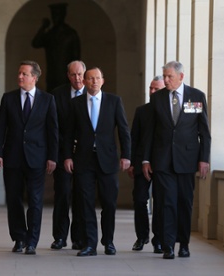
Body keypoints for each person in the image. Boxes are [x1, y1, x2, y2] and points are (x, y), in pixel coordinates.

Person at [142, 61, 211, 259]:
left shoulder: (196, 97)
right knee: (167, 203)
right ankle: (169, 245)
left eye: (169, 76)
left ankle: (184, 244)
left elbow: (204, 131)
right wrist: (146, 160)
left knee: (184, 203)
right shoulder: (158, 99)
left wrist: (204, 159)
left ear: (181, 77)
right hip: (162, 160)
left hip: (187, 160)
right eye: (164, 76)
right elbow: (150, 133)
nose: (165, 80)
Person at [0, 60, 59, 255]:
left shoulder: (47, 100)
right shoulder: (8, 98)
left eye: (24, 74)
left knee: (35, 200)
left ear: (34, 78)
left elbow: (53, 131)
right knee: (13, 200)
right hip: (12, 157)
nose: (20, 76)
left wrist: (52, 157)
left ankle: (32, 241)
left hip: (37, 158)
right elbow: (0, 129)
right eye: (19, 73)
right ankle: (19, 238)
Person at [64, 67, 131, 256]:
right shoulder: (76, 103)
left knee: (109, 202)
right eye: (90, 78)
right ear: (84, 82)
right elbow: (68, 133)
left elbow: (124, 130)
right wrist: (68, 156)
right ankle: (90, 244)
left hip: (108, 160)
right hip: (83, 160)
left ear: (103, 80)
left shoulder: (114, 101)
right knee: (85, 203)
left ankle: (108, 241)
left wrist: (126, 155)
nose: (94, 81)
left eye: (97, 78)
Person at [49, 60, 87, 250]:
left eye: (80, 74)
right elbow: (54, 128)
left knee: (81, 197)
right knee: (62, 195)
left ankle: (78, 238)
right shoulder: (57, 95)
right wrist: (61, 155)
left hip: (85, 156)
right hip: (62, 154)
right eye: (73, 75)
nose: (77, 78)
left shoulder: (93, 94)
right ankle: (60, 237)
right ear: (68, 76)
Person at [127, 75, 164, 254]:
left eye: (156, 89)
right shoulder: (142, 111)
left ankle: (158, 239)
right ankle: (142, 237)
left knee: (160, 202)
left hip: (163, 164)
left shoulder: (169, 110)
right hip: (142, 163)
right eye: (151, 88)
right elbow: (133, 139)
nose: (152, 92)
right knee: (140, 199)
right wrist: (133, 163)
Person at [32, 3, 80, 91]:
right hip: (51, 75)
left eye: (57, 15)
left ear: (63, 15)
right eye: (53, 15)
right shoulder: (50, 34)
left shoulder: (70, 34)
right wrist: (43, 27)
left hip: (66, 76)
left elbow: (77, 58)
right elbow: (35, 43)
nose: (55, 18)